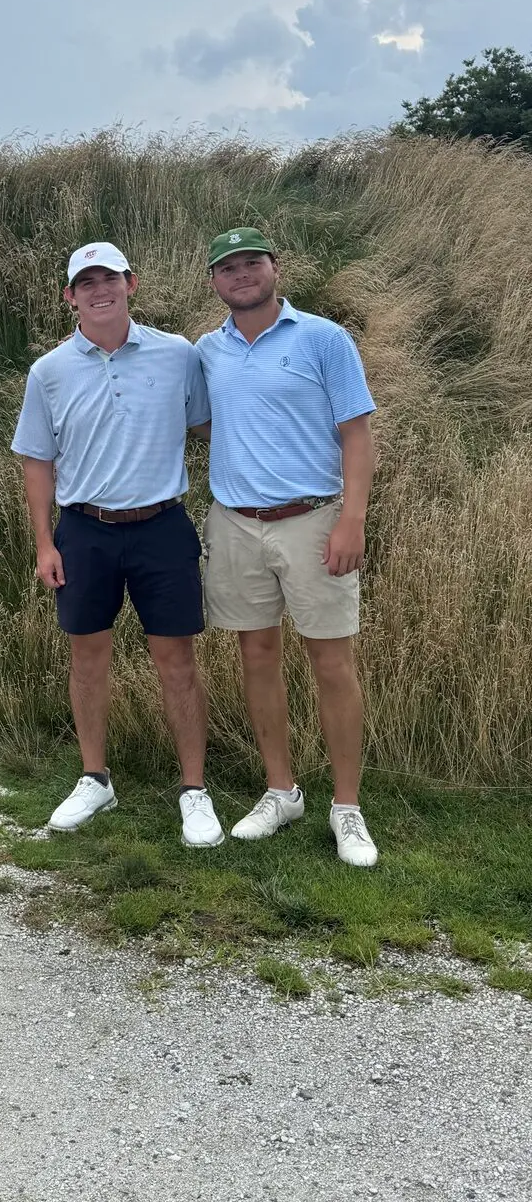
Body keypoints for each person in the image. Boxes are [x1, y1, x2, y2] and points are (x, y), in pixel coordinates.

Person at [12, 242, 223, 847]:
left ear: (132, 283)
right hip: (84, 530)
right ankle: (95, 778)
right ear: (69, 296)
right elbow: (37, 461)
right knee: (88, 657)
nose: (99, 290)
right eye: (86, 282)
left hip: (162, 525)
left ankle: (194, 790)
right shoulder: (48, 372)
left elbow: (209, 426)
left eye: (110, 278)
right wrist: (43, 543)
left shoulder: (177, 355)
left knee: (176, 660)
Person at [195, 228, 379, 867]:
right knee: (257, 655)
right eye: (229, 267)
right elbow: (206, 422)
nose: (241, 275)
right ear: (214, 281)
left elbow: (356, 434)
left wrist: (351, 518)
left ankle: (347, 807)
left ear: (275, 269)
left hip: (313, 519)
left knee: (332, 663)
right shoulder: (207, 351)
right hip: (236, 522)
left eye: (253, 263)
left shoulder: (324, 338)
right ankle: (282, 791)